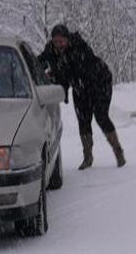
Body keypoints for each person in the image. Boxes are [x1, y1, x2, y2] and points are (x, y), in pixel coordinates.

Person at [39, 24, 126, 170]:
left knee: (101, 116)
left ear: (67, 39)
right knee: (83, 121)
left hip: (99, 82)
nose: (59, 45)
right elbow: (40, 62)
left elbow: (73, 70)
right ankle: (88, 157)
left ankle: (118, 152)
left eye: (62, 41)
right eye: (56, 41)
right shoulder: (50, 51)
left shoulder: (79, 47)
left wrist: (54, 75)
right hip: (79, 87)